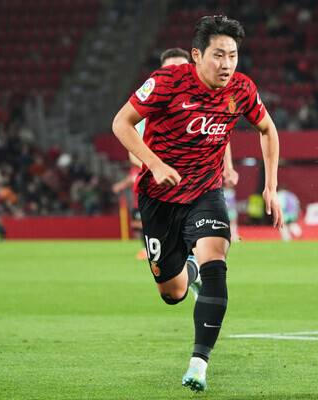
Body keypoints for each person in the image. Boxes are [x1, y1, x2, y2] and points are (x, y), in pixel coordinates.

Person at [112, 15, 283, 392]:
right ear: (197, 55)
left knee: (217, 263)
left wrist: (271, 186)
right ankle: (188, 267)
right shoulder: (166, 83)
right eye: (218, 55)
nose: (227, 64)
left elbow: (268, 129)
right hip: (159, 197)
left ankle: (198, 363)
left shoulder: (242, 89)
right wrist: (155, 165)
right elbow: (121, 123)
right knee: (172, 293)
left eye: (233, 55)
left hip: (206, 192)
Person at [113, 48, 192, 261]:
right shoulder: (146, 109)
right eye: (170, 69)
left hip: (195, 184)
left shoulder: (204, 103)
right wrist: (157, 168)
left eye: (181, 68)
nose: (175, 74)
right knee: (166, 262)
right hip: (158, 184)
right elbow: (132, 150)